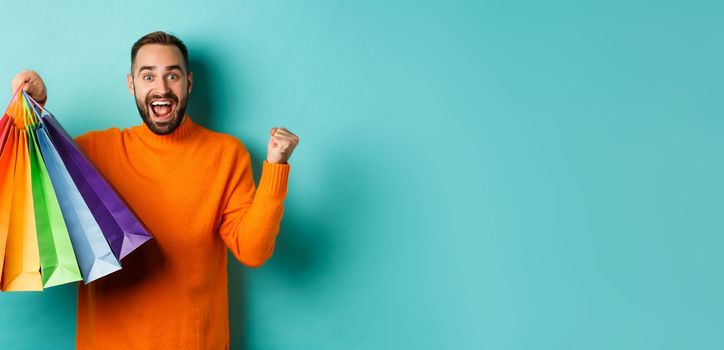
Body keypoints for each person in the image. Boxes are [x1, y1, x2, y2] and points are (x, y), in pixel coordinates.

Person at [11, 31, 299, 349]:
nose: (161, 89)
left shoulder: (227, 154)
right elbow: (25, 193)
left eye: (172, 75)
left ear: (188, 82)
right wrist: (33, 112)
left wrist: (276, 167)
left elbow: (254, 250)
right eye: (148, 76)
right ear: (131, 84)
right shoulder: (91, 152)